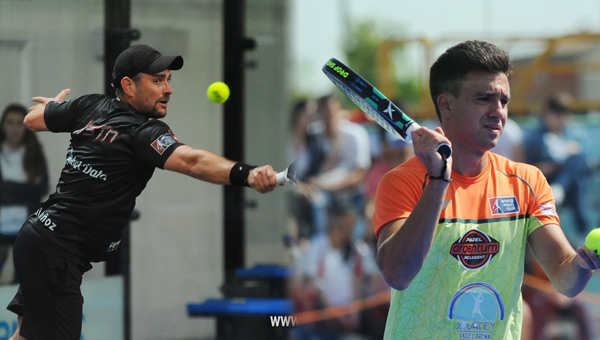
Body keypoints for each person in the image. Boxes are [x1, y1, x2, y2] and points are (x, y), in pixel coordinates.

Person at [6, 44, 279, 340]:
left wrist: (54, 107)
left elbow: (32, 119)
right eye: (157, 80)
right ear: (128, 85)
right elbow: (191, 161)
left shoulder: (88, 106)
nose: (168, 89)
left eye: (168, 80)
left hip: (38, 239)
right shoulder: (145, 133)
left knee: (24, 337)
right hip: (55, 254)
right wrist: (247, 174)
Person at [373, 40, 600, 340]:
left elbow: (565, 279)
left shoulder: (527, 181)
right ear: (446, 104)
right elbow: (398, 275)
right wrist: (439, 181)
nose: (499, 111)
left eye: (504, 101)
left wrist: (585, 263)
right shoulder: (401, 181)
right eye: (484, 99)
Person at [523, 93, 595, 237]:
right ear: (546, 114)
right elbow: (527, 169)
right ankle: (584, 232)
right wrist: (552, 165)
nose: (561, 120)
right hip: (545, 186)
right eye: (557, 115)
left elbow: (587, 163)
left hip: (565, 189)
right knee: (578, 174)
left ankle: (561, 189)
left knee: (578, 169)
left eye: (564, 115)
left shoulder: (572, 135)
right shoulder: (534, 138)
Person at [0, 104, 49, 284]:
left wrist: (6, 186)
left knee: (25, 282)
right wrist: (26, 188)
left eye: (19, 123)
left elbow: (41, 189)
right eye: (10, 123)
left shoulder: (34, 153)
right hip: (1, 226)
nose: (14, 128)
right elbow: (32, 190)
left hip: (26, 227)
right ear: (3, 126)